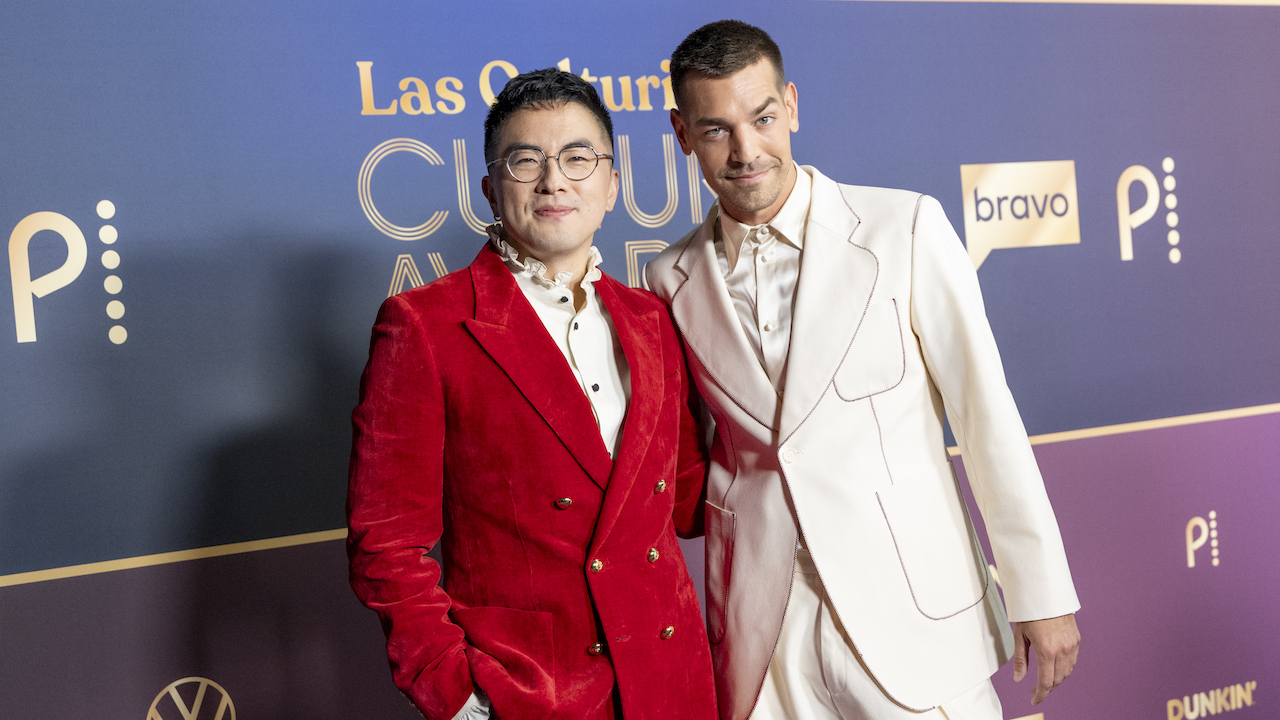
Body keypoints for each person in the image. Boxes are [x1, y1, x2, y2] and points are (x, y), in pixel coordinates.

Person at [643, 20, 1081, 720]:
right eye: (716, 129)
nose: (746, 150)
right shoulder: (668, 277)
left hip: (912, 612)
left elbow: (984, 414)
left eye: (761, 118)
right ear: (682, 132)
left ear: (790, 104)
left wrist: (1042, 593)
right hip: (763, 631)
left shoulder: (903, 227)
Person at [347, 68, 717, 720]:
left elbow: (690, 501)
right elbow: (386, 544)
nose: (554, 180)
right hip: (530, 694)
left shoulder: (653, 320)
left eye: (578, 158)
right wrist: (457, 693)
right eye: (526, 160)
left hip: (672, 682)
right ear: (490, 189)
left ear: (611, 185)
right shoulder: (425, 325)